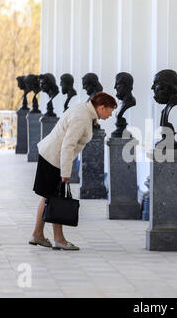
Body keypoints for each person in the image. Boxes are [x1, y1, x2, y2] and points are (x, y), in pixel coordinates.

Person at [30, 91, 117, 250]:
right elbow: (68, 145)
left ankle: (38, 234)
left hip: (50, 154)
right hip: (55, 158)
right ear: (102, 107)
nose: (111, 115)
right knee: (55, 199)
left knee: (50, 197)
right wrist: (66, 173)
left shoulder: (83, 110)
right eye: (111, 110)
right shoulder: (82, 118)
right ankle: (58, 239)